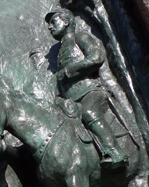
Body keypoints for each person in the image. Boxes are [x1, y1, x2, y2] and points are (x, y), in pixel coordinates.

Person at [45, 8, 127, 167]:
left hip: (90, 92)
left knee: (89, 112)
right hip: (72, 99)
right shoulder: (61, 50)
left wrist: (69, 71)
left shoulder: (80, 37)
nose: (49, 27)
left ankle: (116, 152)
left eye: (53, 22)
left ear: (67, 21)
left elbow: (96, 57)